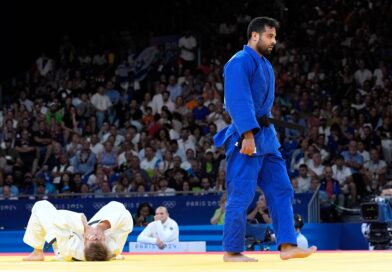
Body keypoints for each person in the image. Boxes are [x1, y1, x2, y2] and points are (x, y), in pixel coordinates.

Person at [213, 17, 317, 262]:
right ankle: (232, 251)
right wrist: (248, 134)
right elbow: (237, 100)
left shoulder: (266, 65)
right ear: (255, 36)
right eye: (270, 36)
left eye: (275, 37)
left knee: (282, 189)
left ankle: (288, 245)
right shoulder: (239, 62)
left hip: (268, 139)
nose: (274, 41)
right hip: (247, 137)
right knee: (241, 195)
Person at [22, 200, 133, 261]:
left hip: (62, 238)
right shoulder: (112, 247)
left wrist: (86, 228)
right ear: (105, 244)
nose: (95, 236)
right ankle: (96, 227)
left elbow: (59, 217)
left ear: (84, 243)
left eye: (92, 239)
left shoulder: (71, 248)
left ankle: (37, 252)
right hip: (106, 249)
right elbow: (126, 216)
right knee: (117, 205)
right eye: (99, 239)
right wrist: (101, 227)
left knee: (41, 205)